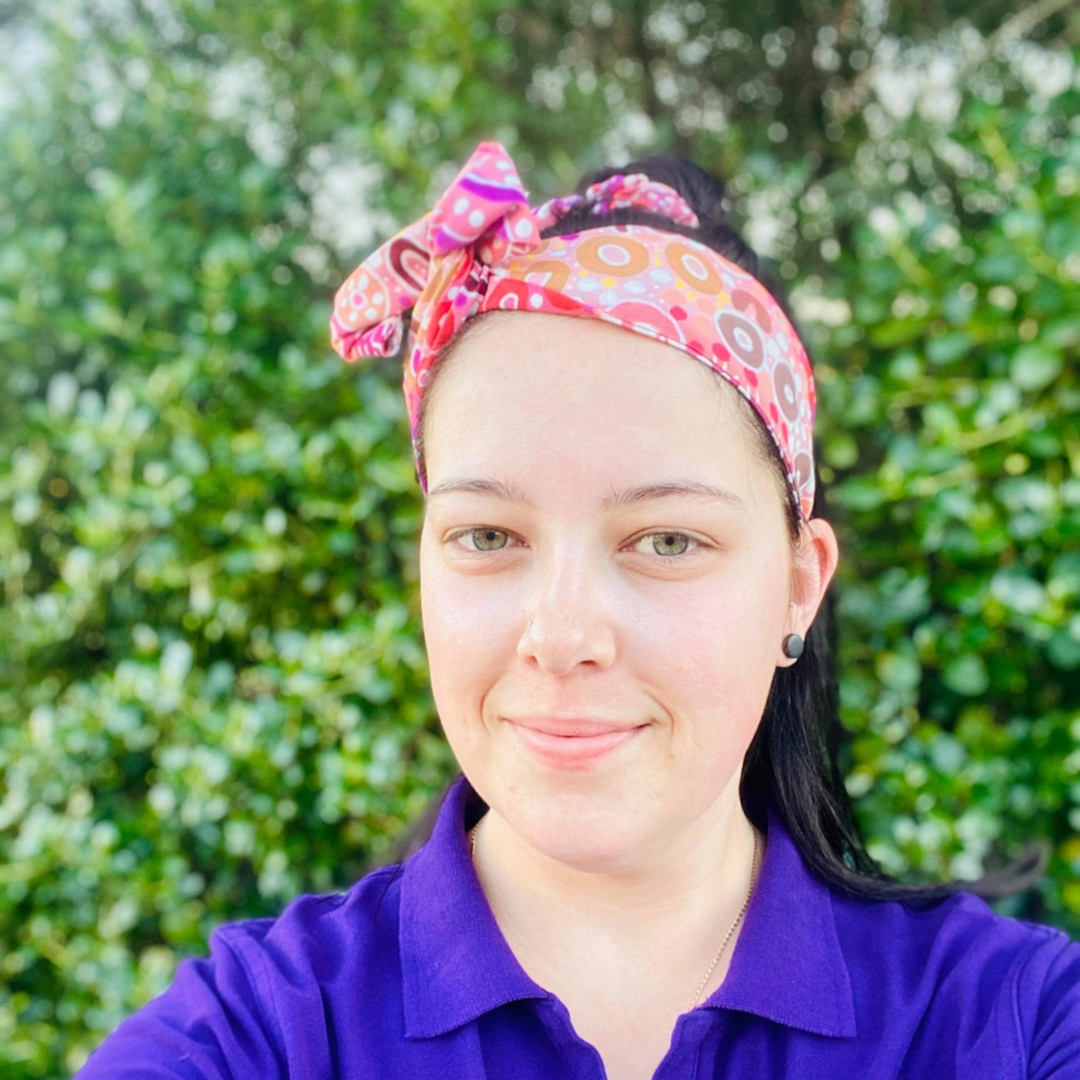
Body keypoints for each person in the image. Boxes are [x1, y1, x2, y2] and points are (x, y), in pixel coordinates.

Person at [76, 142, 1080, 1080]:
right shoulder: (264, 1031)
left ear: (798, 584)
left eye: (668, 541)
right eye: (488, 536)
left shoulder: (1012, 1019)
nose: (560, 639)